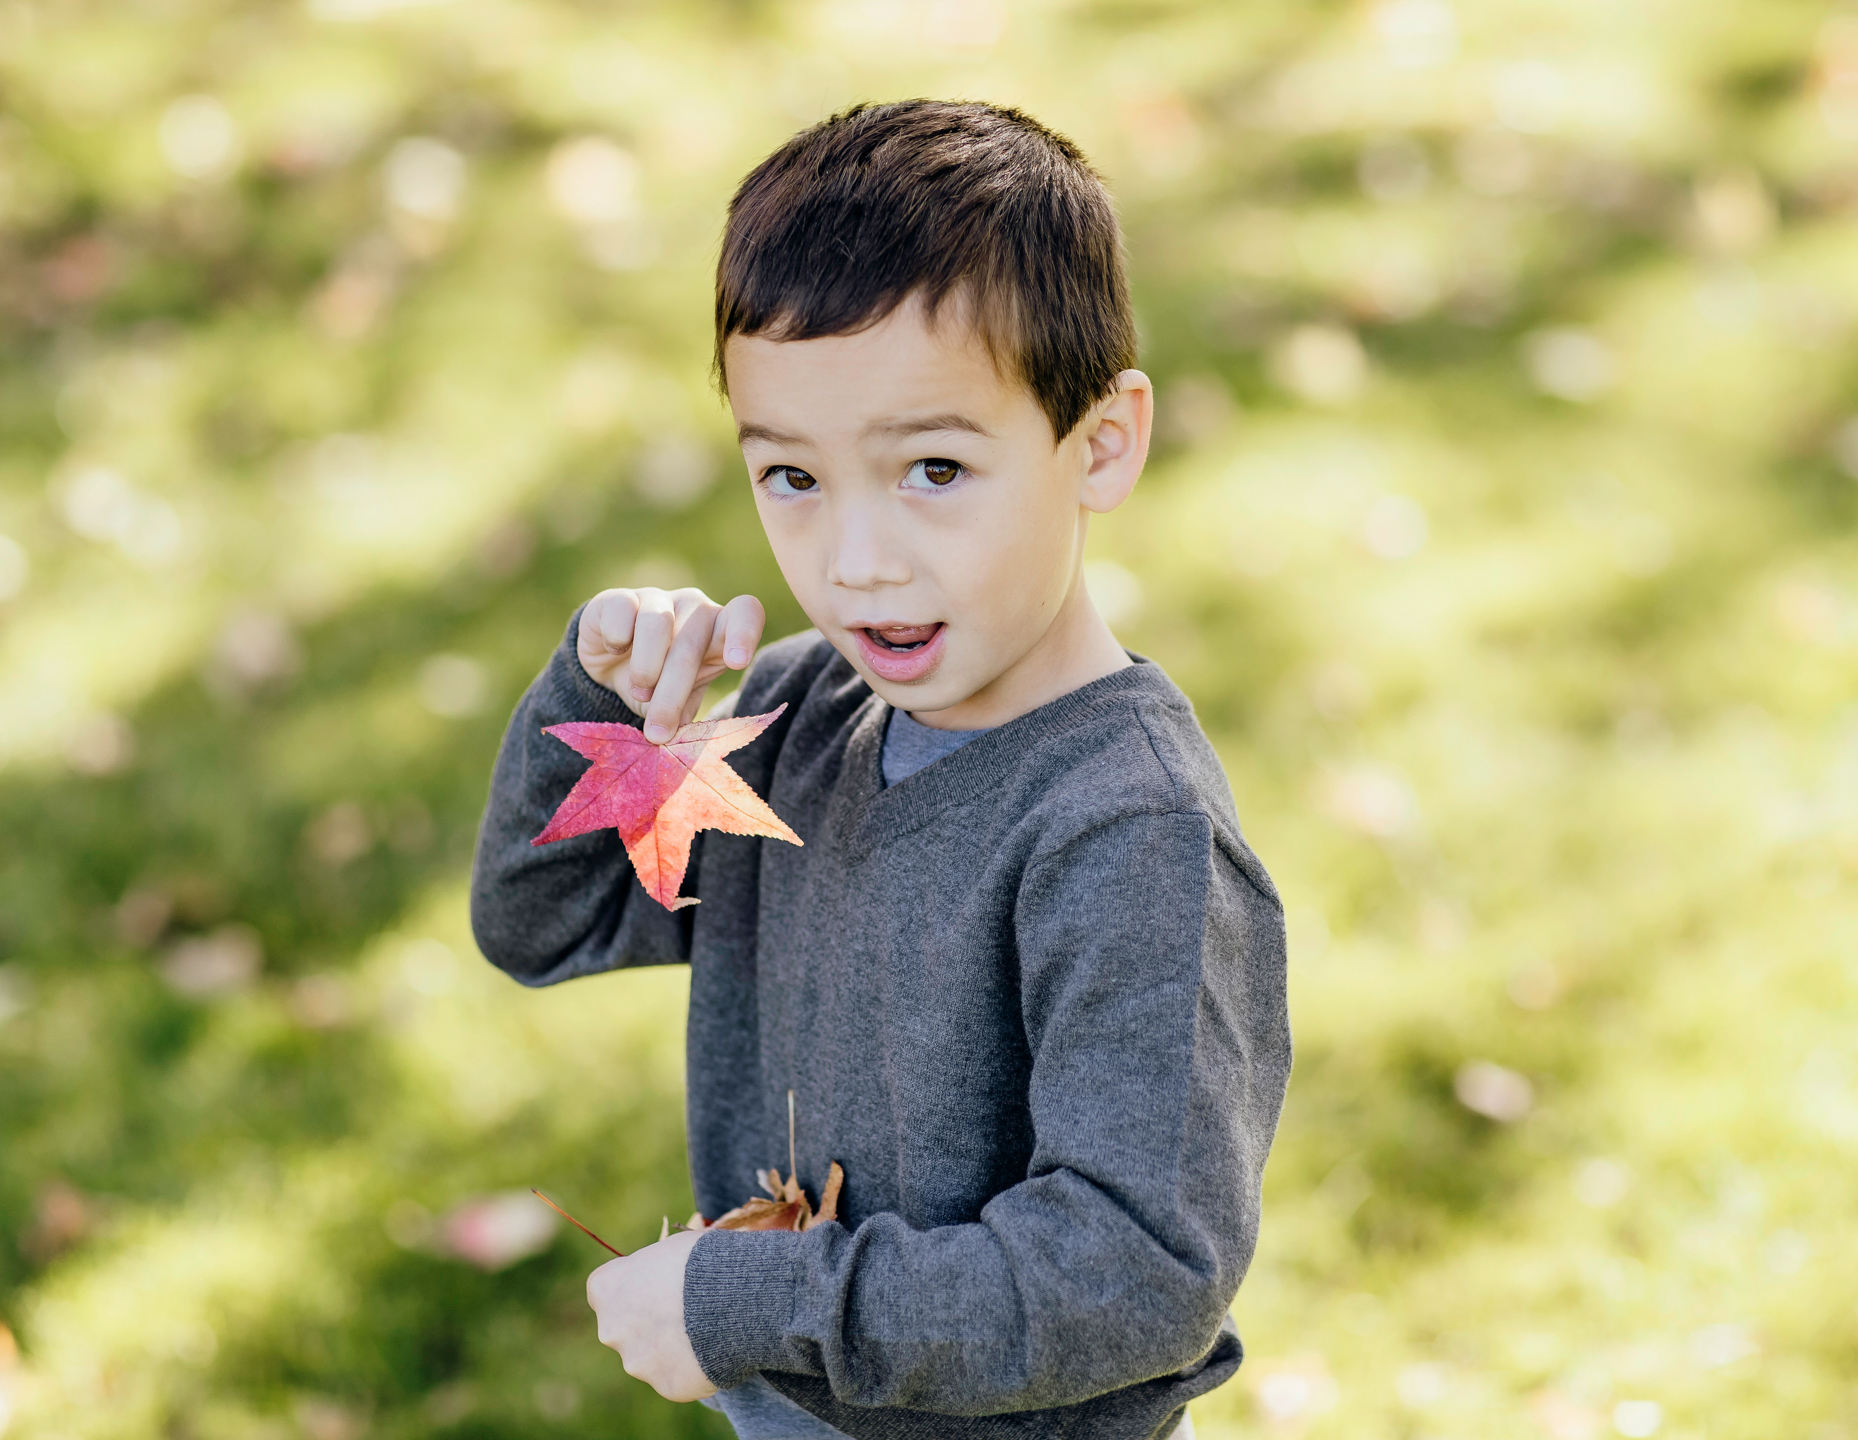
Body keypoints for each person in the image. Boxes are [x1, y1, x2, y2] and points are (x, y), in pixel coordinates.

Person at [470, 99, 1290, 1440]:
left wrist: (755, 1302)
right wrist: (605, 707)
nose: (857, 561)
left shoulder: (1128, 832)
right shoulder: (797, 716)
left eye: (932, 468)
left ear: (1100, 443)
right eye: (792, 477)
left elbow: (1139, 1274)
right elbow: (541, 922)